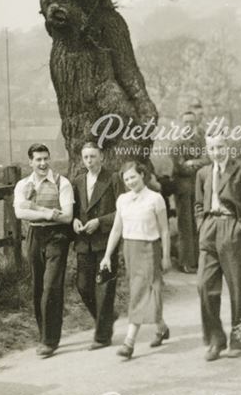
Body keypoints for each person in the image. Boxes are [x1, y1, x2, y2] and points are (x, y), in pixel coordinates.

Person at [195, 134, 241, 361]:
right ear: (207, 149)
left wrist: (240, 228)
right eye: (212, 148)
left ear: (228, 147)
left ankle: (240, 340)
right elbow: (198, 204)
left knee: (236, 289)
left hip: (231, 228)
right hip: (209, 230)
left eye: (221, 147)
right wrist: (201, 225)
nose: (217, 152)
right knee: (204, 286)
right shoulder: (203, 173)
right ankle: (216, 339)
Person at [100, 161, 171, 360]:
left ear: (142, 175)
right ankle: (161, 327)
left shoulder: (155, 199)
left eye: (133, 177)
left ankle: (129, 342)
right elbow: (116, 229)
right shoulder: (122, 200)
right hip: (130, 250)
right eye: (126, 179)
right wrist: (107, 255)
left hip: (150, 249)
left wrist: (166, 256)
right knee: (142, 291)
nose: (130, 181)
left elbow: (165, 230)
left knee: (141, 293)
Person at [13, 143, 74, 357]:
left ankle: (50, 341)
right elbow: (20, 213)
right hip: (34, 236)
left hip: (57, 236)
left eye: (46, 158)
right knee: (38, 287)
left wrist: (35, 209)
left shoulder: (62, 183)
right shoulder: (23, 185)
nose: (43, 163)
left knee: (51, 287)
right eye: (38, 159)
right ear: (30, 162)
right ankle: (44, 335)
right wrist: (47, 213)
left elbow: (66, 216)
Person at [71, 142, 121, 350]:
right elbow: (72, 210)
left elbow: (122, 210)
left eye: (93, 156)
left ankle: (102, 336)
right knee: (83, 286)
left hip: (106, 242)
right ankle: (108, 318)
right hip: (84, 243)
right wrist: (74, 221)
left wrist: (100, 221)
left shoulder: (113, 178)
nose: (89, 161)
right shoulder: (77, 181)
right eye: (86, 157)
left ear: (102, 157)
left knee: (105, 288)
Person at [170, 110, 207, 273]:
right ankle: (186, 262)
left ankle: (201, 260)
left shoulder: (202, 140)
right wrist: (198, 165)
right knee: (185, 224)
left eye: (192, 122)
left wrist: (192, 162)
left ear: (196, 123)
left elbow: (208, 160)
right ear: (181, 123)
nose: (189, 125)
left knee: (200, 222)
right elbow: (180, 167)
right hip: (183, 188)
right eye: (186, 122)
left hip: (201, 187)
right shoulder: (177, 142)